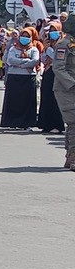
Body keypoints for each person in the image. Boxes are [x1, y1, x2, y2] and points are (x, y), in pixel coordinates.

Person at [1, 27, 40, 129]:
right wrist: (26, 61)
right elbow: (10, 60)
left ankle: (27, 124)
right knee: (14, 101)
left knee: (27, 102)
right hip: (14, 77)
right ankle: (12, 123)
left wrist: (19, 64)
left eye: (27, 36)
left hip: (28, 78)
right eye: (23, 36)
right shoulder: (13, 48)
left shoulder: (34, 49)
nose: (24, 38)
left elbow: (35, 61)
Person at [52, 17, 75, 169]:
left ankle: (70, 156)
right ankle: (73, 157)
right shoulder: (64, 44)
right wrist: (72, 84)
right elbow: (58, 68)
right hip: (66, 89)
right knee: (74, 121)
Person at [38, 22, 66, 133]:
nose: (52, 33)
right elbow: (44, 59)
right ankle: (46, 124)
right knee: (46, 97)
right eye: (51, 30)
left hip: (58, 73)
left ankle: (57, 124)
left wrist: (48, 49)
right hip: (48, 72)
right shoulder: (48, 44)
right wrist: (45, 49)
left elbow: (58, 58)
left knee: (56, 99)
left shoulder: (63, 43)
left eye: (55, 30)